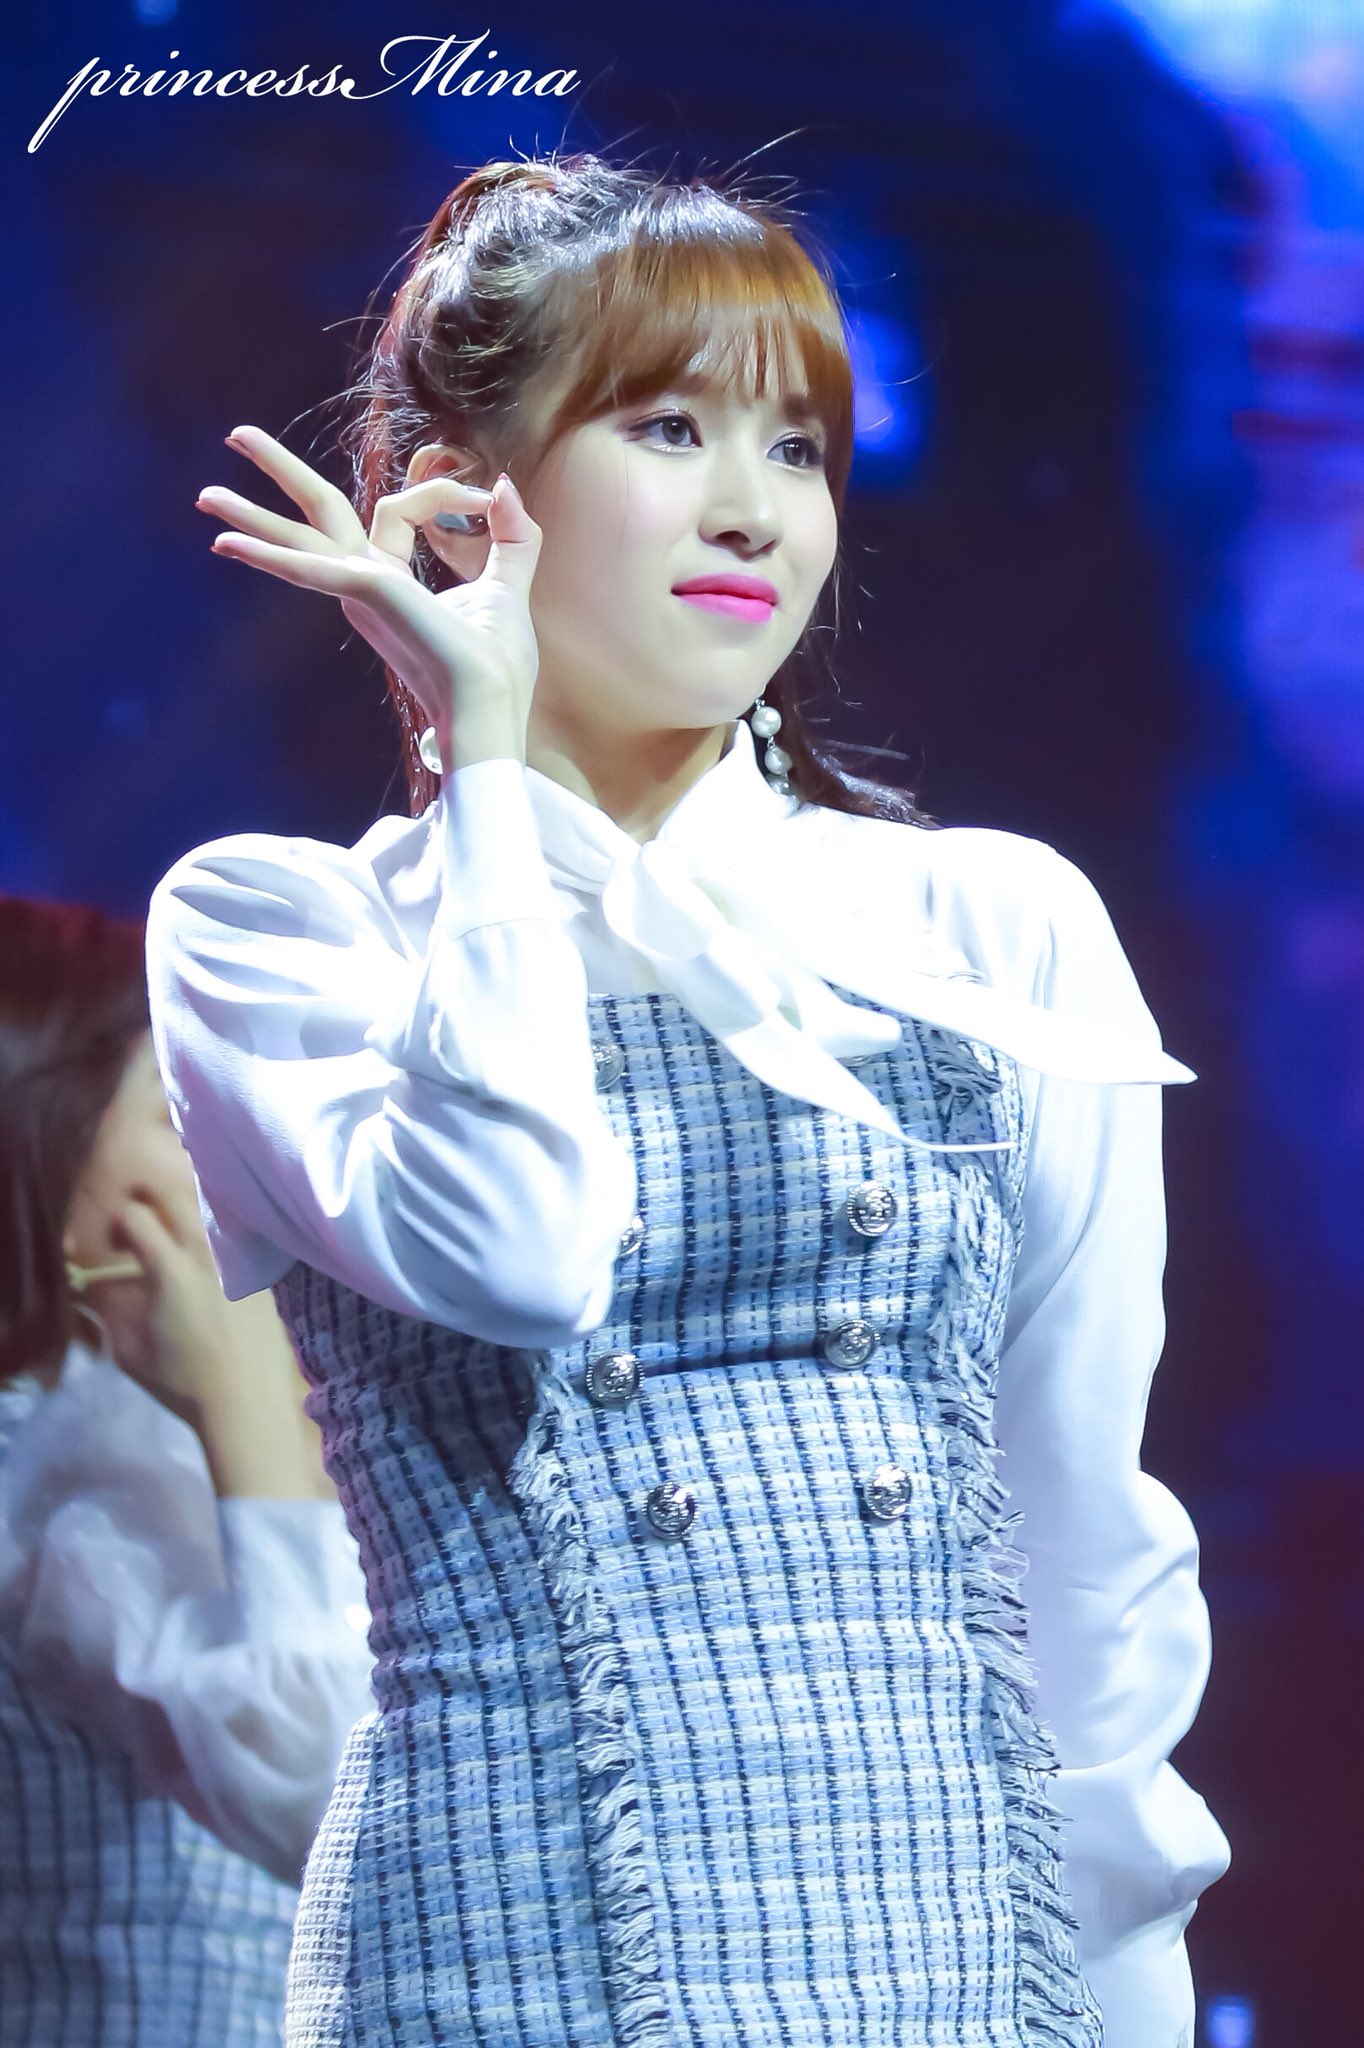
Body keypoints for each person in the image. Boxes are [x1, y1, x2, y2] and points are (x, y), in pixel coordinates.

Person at [145, 151, 1230, 2048]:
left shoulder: (984, 926)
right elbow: (518, 1253)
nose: (755, 507)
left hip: (950, 1962)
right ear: (459, 504)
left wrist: (1128, 1992)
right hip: (497, 1963)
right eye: (667, 427)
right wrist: (489, 767)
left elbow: (1084, 1550)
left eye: (797, 446)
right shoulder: (288, 931)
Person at [0, 894, 376, 2046]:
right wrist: (244, 1394)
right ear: (42, 1138)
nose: (227, 1159)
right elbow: (333, 1796)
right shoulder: (58, 1470)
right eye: (174, 1114)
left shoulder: (113, 1430)